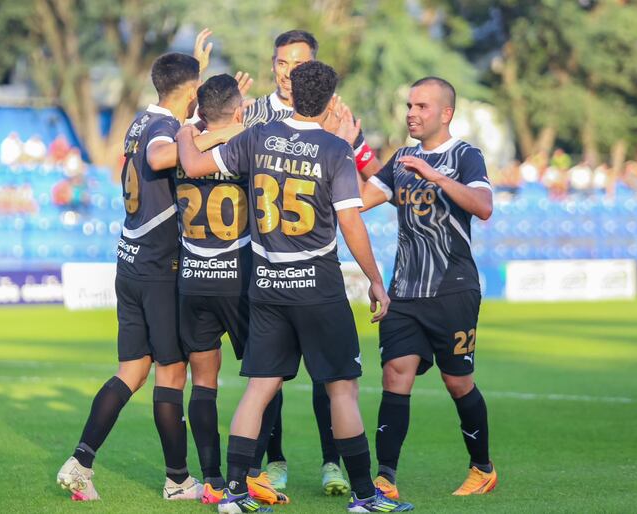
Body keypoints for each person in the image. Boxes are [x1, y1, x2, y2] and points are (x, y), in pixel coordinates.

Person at [177, 60, 413, 514]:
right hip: (317, 285)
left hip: (266, 284)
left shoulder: (256, 137)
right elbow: (349, 219)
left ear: (290, 92)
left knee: (259, 388)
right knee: (341, 388)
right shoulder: (334, 149)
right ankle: (365, 497)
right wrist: (376, 280)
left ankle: (234, 494)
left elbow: (192, 162)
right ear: (328, 101)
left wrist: (188, 126)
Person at [55, 52, 233, 503]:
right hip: (158, 269)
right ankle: (178, 481)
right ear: (191, 93)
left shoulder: (139, 120)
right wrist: (231, 129)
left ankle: (81, 461)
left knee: (131, 371)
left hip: (129, 262)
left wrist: (196, 70)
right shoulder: (161, 131)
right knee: (171, 374)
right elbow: (160, 157)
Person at [352, 76, 497, 499]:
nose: (412, 113)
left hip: (453, 289)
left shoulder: (465, 155)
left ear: (445, 113)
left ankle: (482, 468)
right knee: (396, 374)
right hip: (404, 291)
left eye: (422, 107)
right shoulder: (401, 159)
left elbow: (483, 206)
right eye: (409, 106)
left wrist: (434, 175)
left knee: (458, 383)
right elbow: (360, 200)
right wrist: (345, 149)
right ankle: (386, 478)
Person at [174, 74, 276, 505]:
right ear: (238, 112)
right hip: (238, 277)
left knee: (203, 382)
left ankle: (212, 480)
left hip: (192, 278)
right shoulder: (245, 146)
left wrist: (192, 122)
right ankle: (250, 474)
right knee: (266, 378)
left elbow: (193, 126)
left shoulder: (180, 148)